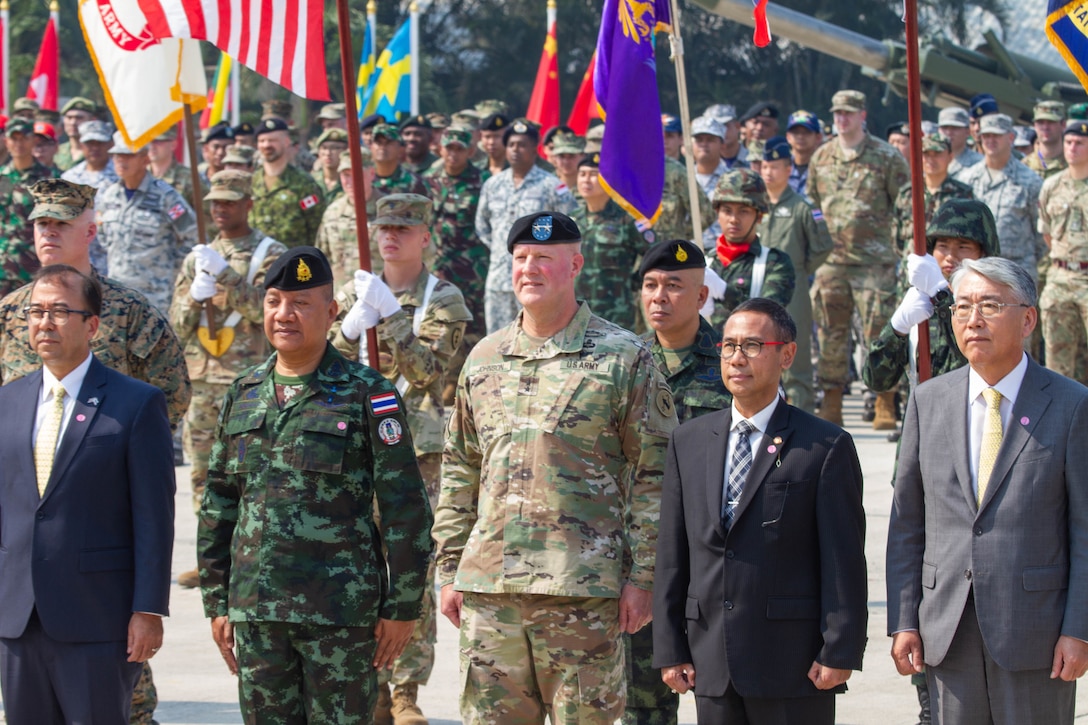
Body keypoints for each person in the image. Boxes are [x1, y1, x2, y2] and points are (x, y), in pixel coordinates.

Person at [434, 211, 677, 724]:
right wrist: (449, 568)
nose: (530, 269)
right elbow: (460, 467)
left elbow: (657, 474)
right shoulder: (484, 358)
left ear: (575, 265)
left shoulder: (624, 357)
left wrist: (646, 575)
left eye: (544, 258)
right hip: (489, 591)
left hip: (581, 589)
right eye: (521, 258)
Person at [198, 246, 433, 724]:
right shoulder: (242, 393)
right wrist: (216, 601)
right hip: (257, 613)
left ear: (331, 313)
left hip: (340, 616)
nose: (284, 315)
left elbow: (404, 506)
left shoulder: (369, 393)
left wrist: (403, 607)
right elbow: (219, 503)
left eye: (301, 303)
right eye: (274, 301)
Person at [887, 256, 1088, 725]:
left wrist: (1079, 629)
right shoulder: (928, 401)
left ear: (1028, 319)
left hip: (1037, 632)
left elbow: (1084, 528)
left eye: (990, 305)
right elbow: (907, 524)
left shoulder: (1071, 405)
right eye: (961, 308)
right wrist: (904, 620)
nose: (973, 320)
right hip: (947, 628)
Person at [653, 296, 868, 725]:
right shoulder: (690, 440)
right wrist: (670, 647)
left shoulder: (823, 446)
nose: (737, 358)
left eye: (752, 346)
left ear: (786, 354)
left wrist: (839, 649)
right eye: (729, 346)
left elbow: (842, 560)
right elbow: (673, 555)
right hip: (710, 661)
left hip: (791, 663)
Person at [0, 265, 175, 725]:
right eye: (36, 311)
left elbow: (154, 518)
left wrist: (148, 608)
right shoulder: (8, 401)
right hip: (18, 619)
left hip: (97, 619)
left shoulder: (134, 403)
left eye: (59, 311)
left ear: (91, 325)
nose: (44, 322)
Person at [332, 194, 471, 725]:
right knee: (359, 568)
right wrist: (347, 328)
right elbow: (324, 365)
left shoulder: (444, 297)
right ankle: (370, 686)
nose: (391, 237)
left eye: (403, 228)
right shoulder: (352, 292)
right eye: (384, 227)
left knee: (410, 567)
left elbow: (429, 373)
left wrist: (391, 319)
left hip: (417, 452)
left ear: (424, 236)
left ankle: (406, 690)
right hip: (355, 448)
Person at [626, 239, 731, 725]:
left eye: (674, 286)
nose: (659, 297)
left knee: (726, 693)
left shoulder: (731, 362)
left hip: (713, 557)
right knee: (642, 701)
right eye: (650, 285)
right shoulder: (622, 362)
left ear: (703, 295)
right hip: (643, 558)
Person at [169, 170, 286, 588]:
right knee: (203, 474)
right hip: (202, 380)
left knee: (254, 472)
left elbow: (269, 311)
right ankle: (212, 561)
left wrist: (227, 278)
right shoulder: (197, 256)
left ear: (249, 203)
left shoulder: (272, 255)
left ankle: (257, 558)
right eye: (215, 202)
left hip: (249, 379)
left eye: (230, 201)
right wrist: (193, 296)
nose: (220, 209)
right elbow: (177, 326)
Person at [807, 89, 910, 425]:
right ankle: (832, 402)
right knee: (830, 336)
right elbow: (813, 207)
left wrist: (902, 250)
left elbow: (905, 205)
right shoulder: (821, 157)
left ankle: (884, 400)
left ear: (863, 115)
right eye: (837, 112)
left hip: (874, 264)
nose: (842, 118)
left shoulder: (886, 156)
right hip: (832, 264)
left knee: (878, 335)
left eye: (849, 112)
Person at [865, 198, 1001, 403]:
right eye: (943, 246)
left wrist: (941, 296)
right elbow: (876, 380)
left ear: (983, 252)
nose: (950, 256)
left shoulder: (998, 301)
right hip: (922, 426)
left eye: (963, 247)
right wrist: (897, 329)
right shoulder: (922, 298)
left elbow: (978, 361)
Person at [476, 120, 574, 333]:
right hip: (499, 280)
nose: (515, 150)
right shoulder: (492, 185)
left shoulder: (552, 186)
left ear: (534, 148)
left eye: (521, 145)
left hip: (538, 281)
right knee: (498, 341)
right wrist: (504, 251)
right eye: (511, 145)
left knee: (541, 339)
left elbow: (570, 227)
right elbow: (482, 226)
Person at [758, 137, 833, 413]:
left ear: (789, 168)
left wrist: (799, 270)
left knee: (794, 357)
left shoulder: (803, 207)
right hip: (756, 287)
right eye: (764, 166)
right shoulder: (756, 207)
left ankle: (802, 415)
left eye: (774, 166)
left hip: (794, 289)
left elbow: (823, 246)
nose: (768, 172)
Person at [96, 132, 197, 316]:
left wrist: (172, 275)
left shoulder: (166, 196)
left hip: (155, 297)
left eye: (128, 156)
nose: (121, 161)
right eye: (117, 156)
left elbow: (191, 237)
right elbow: (103, 236)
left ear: (144, 159)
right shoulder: (109, 195)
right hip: (117, 293)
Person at [425, 126, 488, 401]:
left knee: (472, 327)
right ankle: (444, 380)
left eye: (459, 149)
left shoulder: (482, 180)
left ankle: (470, 381)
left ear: (470, 151)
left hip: (473, 270)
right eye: (448, 148)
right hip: (439, 267)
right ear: (440, 148)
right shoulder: (430, 180)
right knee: (440, 325)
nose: (453, 154)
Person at [704, 168, 795, 333]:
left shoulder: (775, 263)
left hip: (750, 354)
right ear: (717, 213)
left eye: (743, 211)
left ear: (759, 216)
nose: (733, 219)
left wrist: (724, 291)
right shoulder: (705, 262)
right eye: (727, 210)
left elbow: (768, 317)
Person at [958, 113, 1044, 285]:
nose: (990, 140)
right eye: (986, 136)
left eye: (996, 135)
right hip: (976, 270)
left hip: (1016, 271)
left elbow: (1041, 235)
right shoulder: (966, 179)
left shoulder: (1030, 181)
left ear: (1011, 137)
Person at [571, 152, 646, 331]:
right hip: (576, 312)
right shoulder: (572, 221)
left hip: (616, 313)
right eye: (582, 174)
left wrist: (633, 282)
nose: (586, 180)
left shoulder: (627, 219)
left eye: (593, 175)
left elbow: (653, 254)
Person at [1038, 119, 1088, 385]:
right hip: (1060, 278)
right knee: (1058, 363)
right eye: (1068, 142)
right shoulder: (1052, 185)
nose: (1072, 148)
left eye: (1080, 143)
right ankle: (1062, 422)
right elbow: (1047, 232)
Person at [893, 132, 974, 257]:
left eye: (937, 154)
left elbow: (969, 239)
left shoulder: (963, 195)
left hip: (945, 271)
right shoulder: (908, 193)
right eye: (926, 154)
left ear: (950, 157)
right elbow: (897, 239)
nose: (931, 160)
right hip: (910, 271)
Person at [249, 118, 327, 248]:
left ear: (286, 142)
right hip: (257, 262)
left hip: (293, 262)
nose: (266, 145)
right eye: (262, 141)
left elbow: (316, 229)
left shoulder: (304, 183)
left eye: (272, 140)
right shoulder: (251, 182)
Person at [316, 148, 378, 287]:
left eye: (357, 174)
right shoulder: (332, 213)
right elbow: (322, 259)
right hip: (341, 300)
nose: (350, 181)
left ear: (372, 174)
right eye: (345, 175)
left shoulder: (388, 212)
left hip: (381, 299)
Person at [369, 124, 433, 206]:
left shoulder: (416, 183)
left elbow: (427, 215)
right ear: (371, 147)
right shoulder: (363, 181)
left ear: (400, 148)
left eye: (389, 142)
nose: (383, 147)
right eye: (378, 142)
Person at [148, 127, 201, 209]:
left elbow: (205, 216)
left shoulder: (190, 178)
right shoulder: (140, 175)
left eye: (158, 142)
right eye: (149, 142)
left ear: (173, 145)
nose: (152, 146)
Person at [61, 120, 117, 189]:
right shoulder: (70, 177)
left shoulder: (122, 175)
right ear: (81, 145)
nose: (95, 148)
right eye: (90, 143)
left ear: (110, 145)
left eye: (100, 143)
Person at [1025, 101, 1068, 179]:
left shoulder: (1075, 164)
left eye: (1051, 122)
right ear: (1034, 126)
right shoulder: (1025, 165)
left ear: (1063, 125)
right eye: (1040, 122)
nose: (1045, 127)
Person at [939, 107, 983, 181]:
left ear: (967, 132)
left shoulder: (980, 163)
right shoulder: (928, 160)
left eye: (955, 128)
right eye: (945, 128)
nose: (949, 132)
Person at [784, 110, 821, 198]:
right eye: (796, 132)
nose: (800, 136)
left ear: (818, 137)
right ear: (788, 137)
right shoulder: (781, 169)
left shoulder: (824, 168)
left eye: (806, 132)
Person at [55, 97, 96, 171]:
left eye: (79, 118)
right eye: (69, 118)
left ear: (92, 120)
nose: (73, 123)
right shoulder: (56, 151)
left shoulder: (97, 152)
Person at [311, 128, 349, 202]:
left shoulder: (351, 182)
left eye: (334, 148)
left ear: (346, 151)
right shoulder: (311, 181)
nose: (328, 153)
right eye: (324, 148)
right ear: (318, 153)